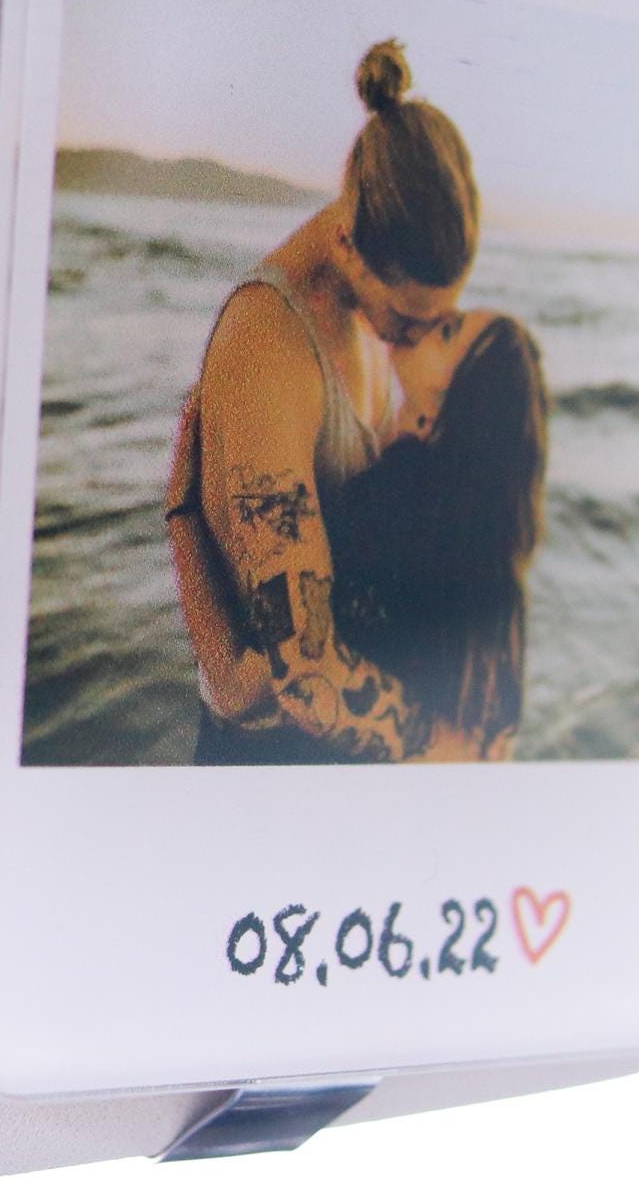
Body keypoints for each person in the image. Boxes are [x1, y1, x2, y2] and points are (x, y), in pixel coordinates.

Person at [163, 39, 479, 763]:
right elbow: (306, 680)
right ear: (346, 245)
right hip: (278, 772)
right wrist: (443, 750)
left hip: (351, 740)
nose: (420, 343)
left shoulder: (366, 305)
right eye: (408, 320)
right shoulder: (268, 349)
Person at [181, 309, 550, 760]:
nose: (434, 317)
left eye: (448, 332)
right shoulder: (488, 577)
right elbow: (485, 747)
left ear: (439, 415)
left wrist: (182, 514)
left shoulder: (389, 506)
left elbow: (246, 685)